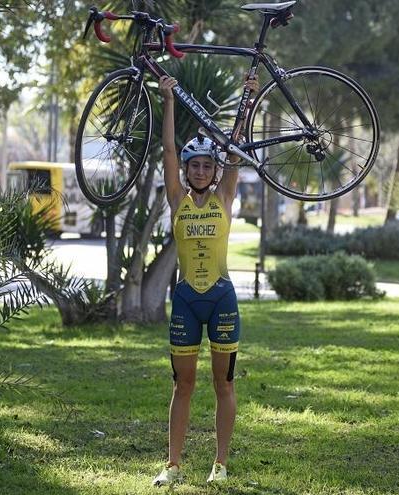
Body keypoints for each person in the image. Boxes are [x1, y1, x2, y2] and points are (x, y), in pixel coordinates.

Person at [152, 73, 258, 486]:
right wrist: (168, 99)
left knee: (223, 384)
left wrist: (247, 101)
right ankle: (173, 464)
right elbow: (166, 148)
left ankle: (220, 465)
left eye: (205, 165)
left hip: (221, 298)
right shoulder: (176, 198)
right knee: (183, 385)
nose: (198, 170)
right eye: (193, 164)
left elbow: (235, 148)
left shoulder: (224, 197)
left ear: (214, 170)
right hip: (185, 300)